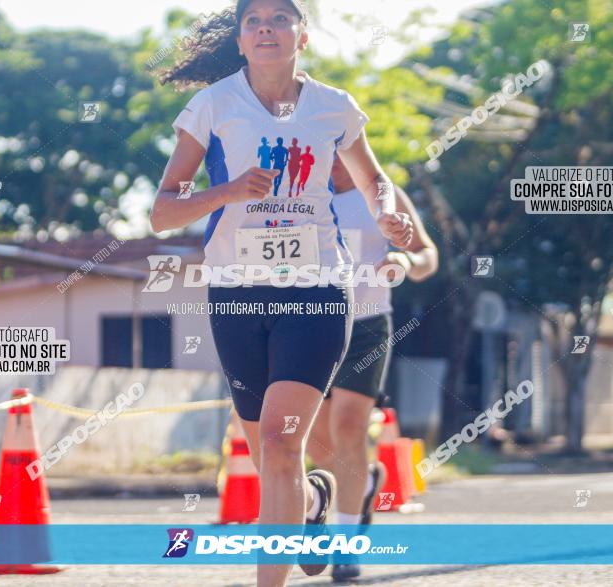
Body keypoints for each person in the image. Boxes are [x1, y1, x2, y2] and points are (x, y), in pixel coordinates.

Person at [152, 1, 413, 585]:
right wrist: (228, 192)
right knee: (269, 454)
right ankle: (314, 502)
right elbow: (164, 213)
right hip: (237, 294)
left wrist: (390, 216)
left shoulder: (333, 107)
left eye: (279, 17)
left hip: (317, 288)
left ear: (303, 34)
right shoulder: (213, 105)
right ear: (241, 40)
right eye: (253, 21)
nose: (265, 27)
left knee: (279, 439)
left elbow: (376, 183)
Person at [307, 154, 438, 582]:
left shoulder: (383, 197)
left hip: (366, 326)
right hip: (307, 323)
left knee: (349, 429)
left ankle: (345, 547)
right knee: (315, 441)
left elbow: (426, 254)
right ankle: (358, 489)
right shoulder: (299, 194)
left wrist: (404, 262)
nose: (336, 162)